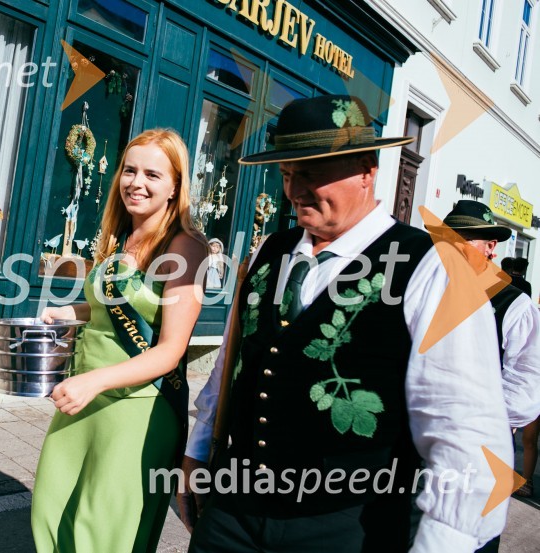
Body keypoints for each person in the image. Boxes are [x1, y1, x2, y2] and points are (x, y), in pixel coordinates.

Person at [179, 95, 512, 553]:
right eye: (287, 174)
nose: (294, 191)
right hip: (233, 513)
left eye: (311, 172)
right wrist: (199, 452)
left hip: (348, 525)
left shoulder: (429, 267)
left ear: (366, 170)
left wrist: (443, 541)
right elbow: (233, 367)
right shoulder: (268, 252)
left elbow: (465, 429)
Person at [30, 129, 208, 552]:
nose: (136, 182)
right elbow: (110, 306)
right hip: (83, 399)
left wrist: (94, 382)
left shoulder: (186, 246)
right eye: (130, 170)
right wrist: (68, 313)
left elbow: (169, 350)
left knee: (104, 533)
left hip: (137, 410)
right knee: (51, 511)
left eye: (152, 174)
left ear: (175, 188)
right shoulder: (118, 236)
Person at [429, 200, 540, 552]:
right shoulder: (424, 288)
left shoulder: (513, 305)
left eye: (465, 240)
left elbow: (526, 390)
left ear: (490, 247)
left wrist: (464, 415)